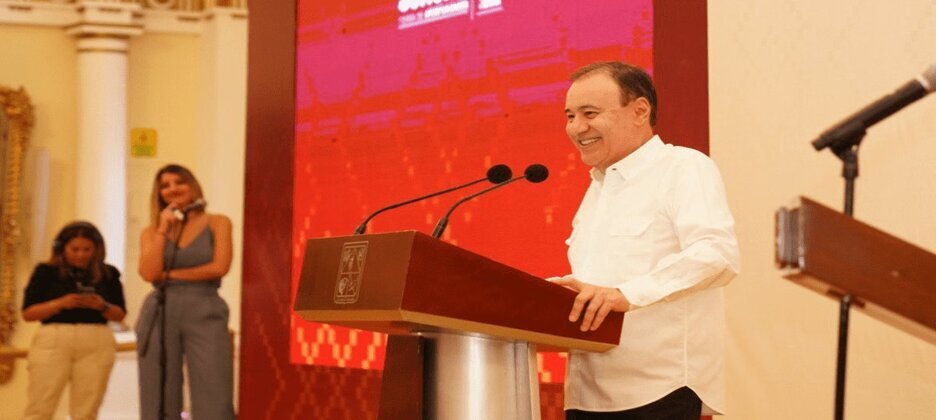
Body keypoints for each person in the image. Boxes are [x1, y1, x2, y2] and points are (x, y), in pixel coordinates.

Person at [552, 62, 741, 419]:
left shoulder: (683, 167)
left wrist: (626, 294)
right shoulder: (596, 190)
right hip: (585, 394)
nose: (577, 128)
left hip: (658, 389)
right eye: (570, 116)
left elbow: (717, 254)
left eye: (590, 113)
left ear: (640, 111)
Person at [136, 164, 235, 419]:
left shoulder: (218, 222)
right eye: (165, 186)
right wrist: (162, 229)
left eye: (179, 182)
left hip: (204, 307)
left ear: (192, 185)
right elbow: (148, 273)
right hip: (160, 309)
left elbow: (219, 267)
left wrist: (169, 275)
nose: (173, 189)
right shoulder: (151, 231)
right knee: (158, 391)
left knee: (213, 387)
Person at [21, 221, 127, 420]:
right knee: (40, 407)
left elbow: (120, 314)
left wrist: (101, 306)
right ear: (62, 248)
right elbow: (28, 313)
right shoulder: (46, 272)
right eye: (75, 249)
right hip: (54, 337)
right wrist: (60, 304)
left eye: (87, 249)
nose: (81, 255)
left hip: (96, 338)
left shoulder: (108, 273)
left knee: (86, 411)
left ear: (97, 249)